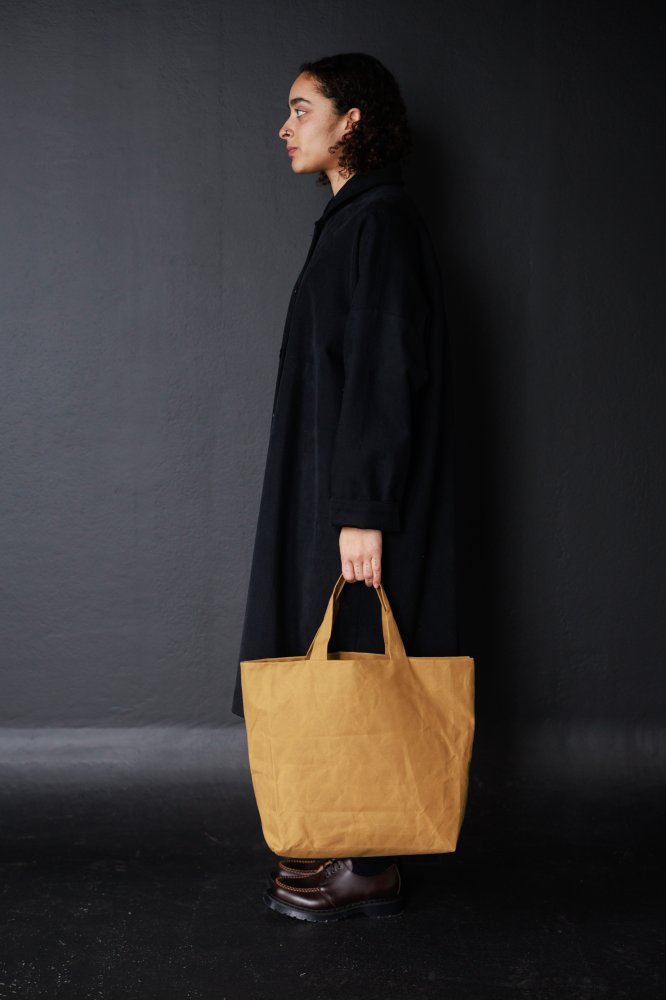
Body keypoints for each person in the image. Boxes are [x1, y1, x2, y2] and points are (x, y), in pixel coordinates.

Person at [232, 52, 459, 921]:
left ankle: (371, 861)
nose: (285, 127)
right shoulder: (352, 220)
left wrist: (363, 508)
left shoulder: (380, 224)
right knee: (342, 660)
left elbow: (384, 368)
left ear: (352, 119)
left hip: (361, 498)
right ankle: (350, 841)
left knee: (364, 656)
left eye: (302, 109)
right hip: (337, 487)